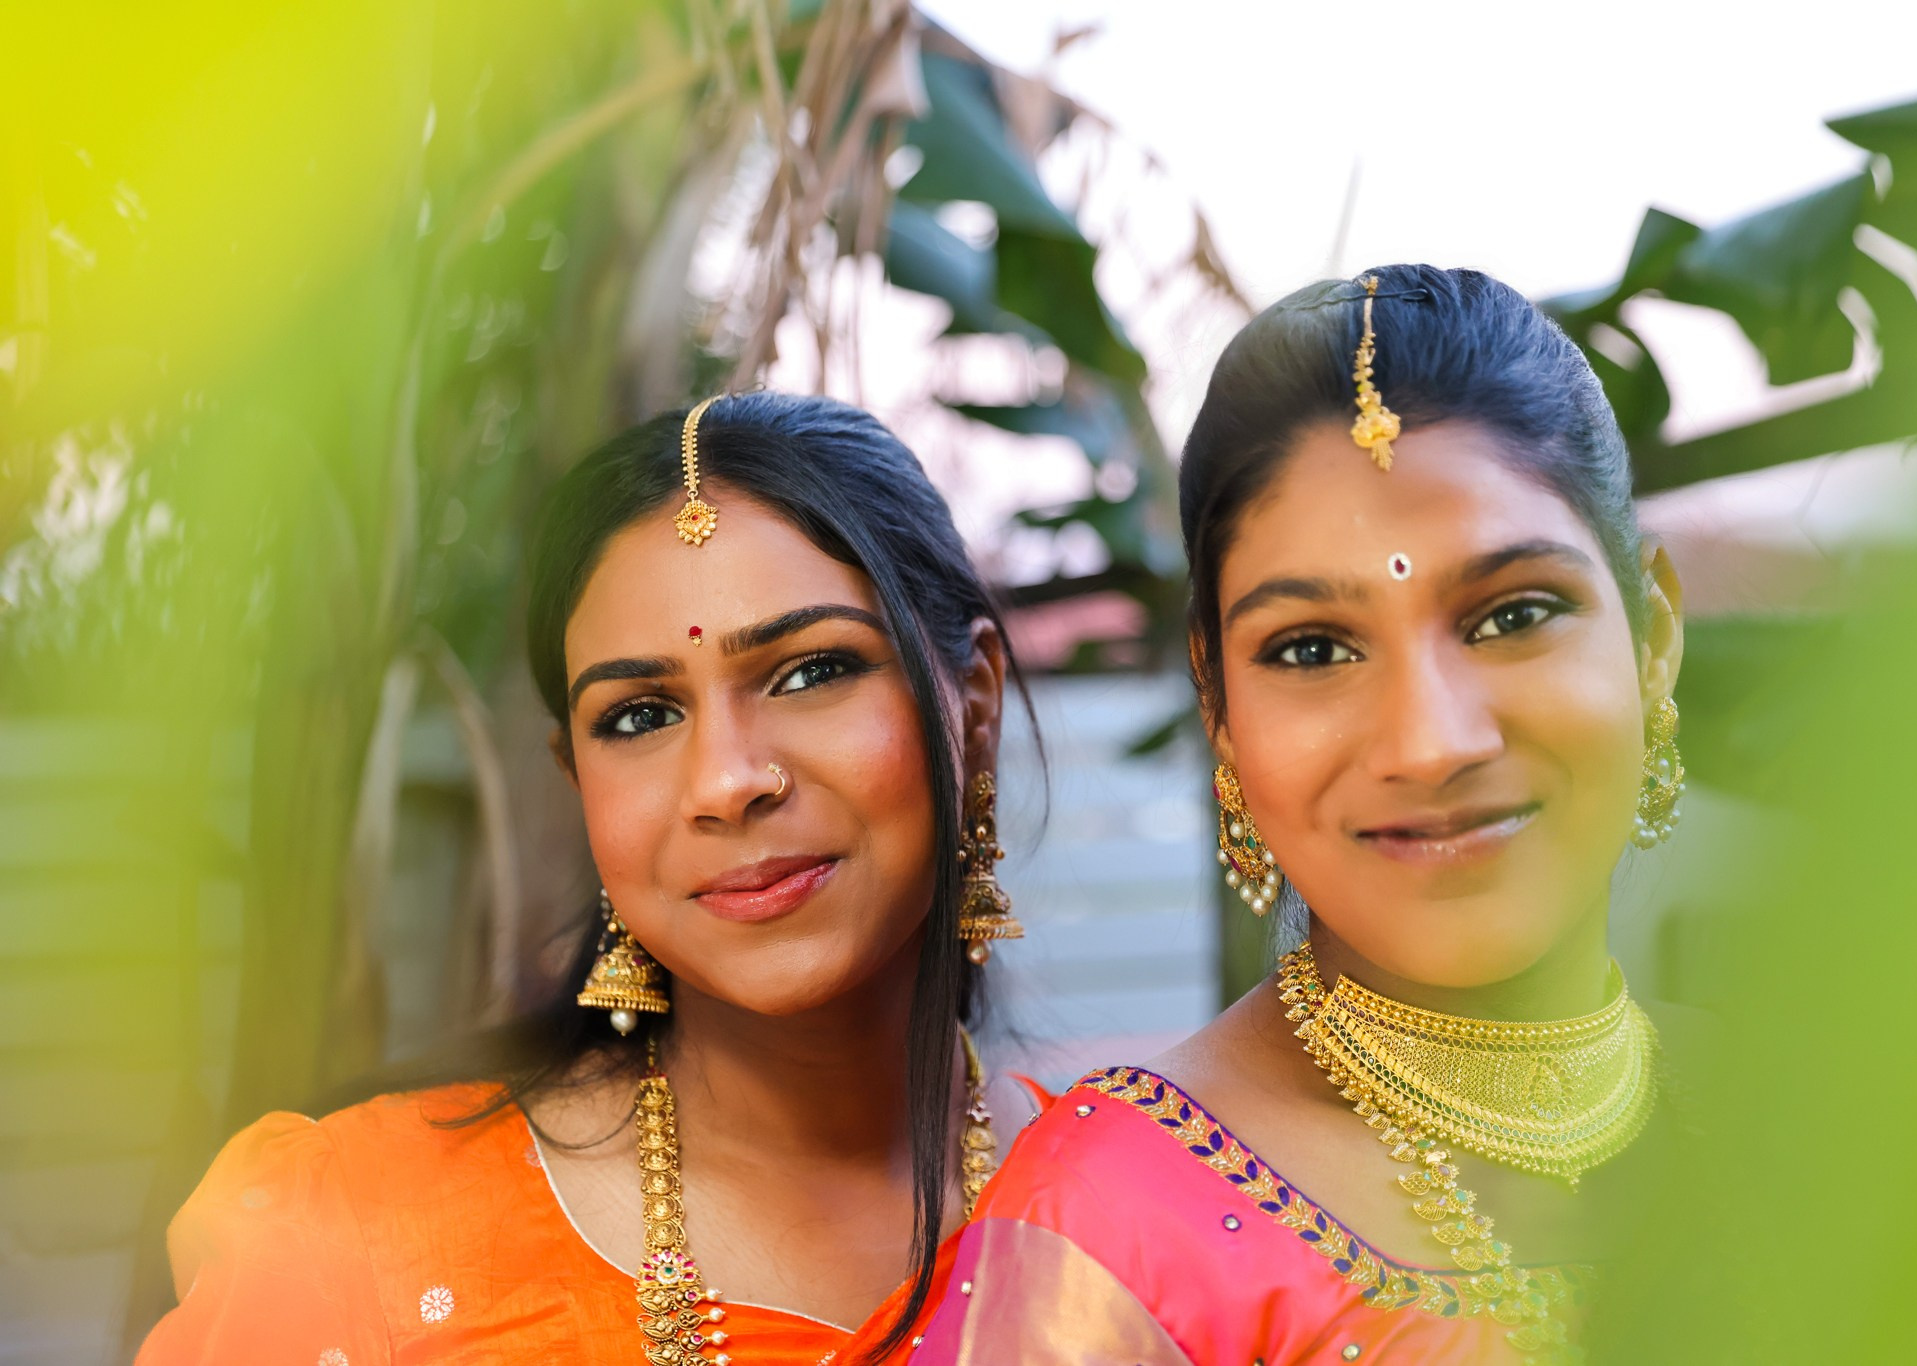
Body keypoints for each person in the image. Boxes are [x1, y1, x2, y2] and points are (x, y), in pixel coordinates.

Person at [139, 391, 1034, 1365]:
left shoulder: (1146, 1204)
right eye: (641, 716)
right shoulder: (349, 1238)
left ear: (974, 704)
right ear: (576, 778)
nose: (727, 782)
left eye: (810, 670)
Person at [922, 265, 1690, 1365]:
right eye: (1312, 650)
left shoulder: (1822, 1113)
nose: (1429, 741)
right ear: (1218, 706)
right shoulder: (1104, 1232)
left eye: (1512, 614)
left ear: (1652, 637)